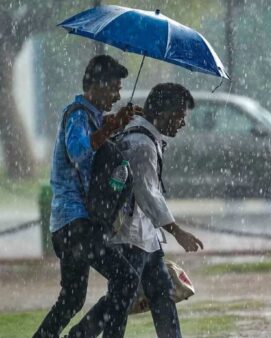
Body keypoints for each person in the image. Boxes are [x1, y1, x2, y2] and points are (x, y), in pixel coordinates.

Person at [34, 55, 141, 338]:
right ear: (96, 86)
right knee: (127, 278)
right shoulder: (78, 115)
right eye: (115, 88)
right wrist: (109, 128)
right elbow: (79, 152)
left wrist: (114, 124)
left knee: (72, 300)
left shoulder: (90, 117)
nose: (118, 95)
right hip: (75, 225)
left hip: (68, 227)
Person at [111, 83, 204, 338]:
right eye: (180, 115)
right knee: (119, 304)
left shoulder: (142, 135)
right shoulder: (141, 144)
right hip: (130, 237)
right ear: (163, 112)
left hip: (144, 237)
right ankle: (81, 333)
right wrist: (178, 232)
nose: (183, 122)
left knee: (161, 295)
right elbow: (148, 195)